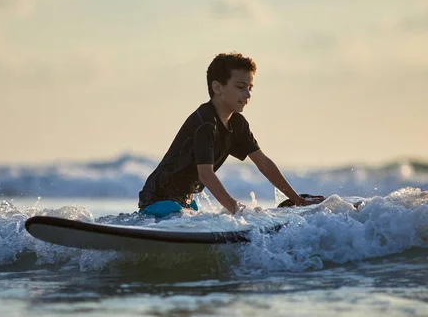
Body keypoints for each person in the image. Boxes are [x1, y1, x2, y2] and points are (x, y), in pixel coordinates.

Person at [138, 52, 325, 218]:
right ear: (218, 87)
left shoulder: (237, 124)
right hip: (157, 200)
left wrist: (297, 200)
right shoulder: (205, 123)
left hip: (183, 201)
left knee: (193, 216)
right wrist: (234, 208)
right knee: (186, 218)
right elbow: (205, 175)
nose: (247, 94)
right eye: (241, 86)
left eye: (250, 88)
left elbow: (263, 163)